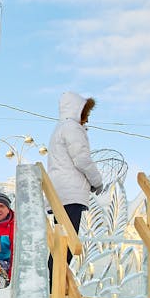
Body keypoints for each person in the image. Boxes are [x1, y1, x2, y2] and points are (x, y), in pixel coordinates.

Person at [46, 91, 103, 282]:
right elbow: (82, 158)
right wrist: (96, 181)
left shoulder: (60, 129)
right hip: (70, 194)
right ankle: (53, 286)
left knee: (60, 243)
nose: (87, 117)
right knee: (67, 244)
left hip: (60, 193)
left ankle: (53, 284)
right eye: (85, 112)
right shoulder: (72, 128)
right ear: (78, 110)